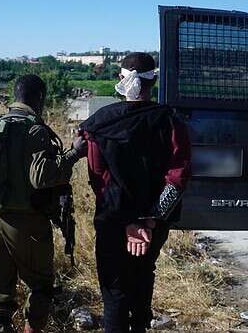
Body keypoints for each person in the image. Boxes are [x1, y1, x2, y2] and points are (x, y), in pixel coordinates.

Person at [80, 53, 191, 332]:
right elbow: (178, 176)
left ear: (120, 79)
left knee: (114, 290)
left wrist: (129, 221)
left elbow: (100, 180)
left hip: (113, 220)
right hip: (154, 224)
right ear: (153, 80)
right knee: (142, 278)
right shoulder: (170, 121)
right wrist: (149, 220)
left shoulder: (100, 123)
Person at [0, 74, 87, 333]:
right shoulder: (34, 128)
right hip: (26, 224)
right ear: (39, 98)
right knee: (40, 287)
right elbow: (41, 178)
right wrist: (74, 153)